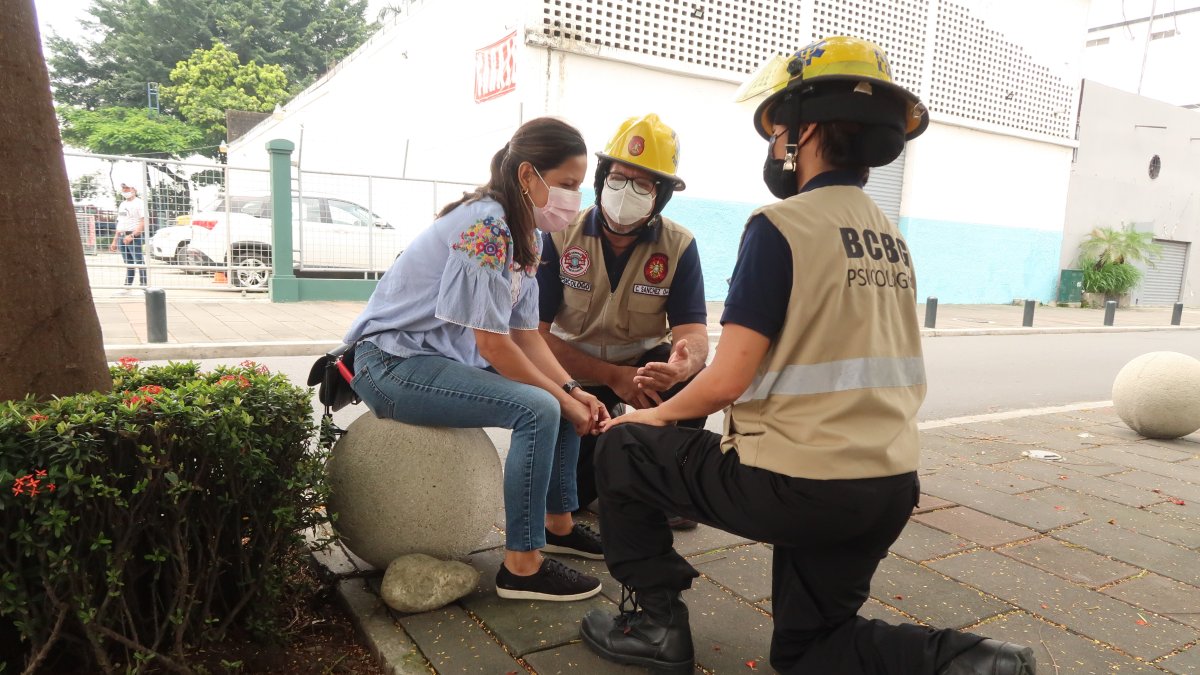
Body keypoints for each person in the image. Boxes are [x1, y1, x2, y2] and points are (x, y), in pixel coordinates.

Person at [578, 37, 1037, 674]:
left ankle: (655, 624)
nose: (773, 149)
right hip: (886, 488)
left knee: (624, 449)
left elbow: (727, 380)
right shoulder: (889, 238)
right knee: (808, 651)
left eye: (778, 133)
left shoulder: (781, 226)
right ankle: (976, 661)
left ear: (807, 131)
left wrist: (643, 419)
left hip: (799, 485)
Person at [343, 117, 611, 602]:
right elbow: (492, 345)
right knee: (540, 407)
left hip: (439, 359)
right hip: (391, 365)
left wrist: (574, 391)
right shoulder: (486, 226)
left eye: (578, 186)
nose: (575, 198)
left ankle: (558, 524)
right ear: (529, 176)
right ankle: (522, 567)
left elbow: (525, 334)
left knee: (565, 400)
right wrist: (559, 398)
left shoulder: (527, 233)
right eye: (567, 184)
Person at [536, 114, 709, 530]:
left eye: (642, 184)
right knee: (569, 496)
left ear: (662, 193)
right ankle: (606, 460)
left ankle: (662, 488)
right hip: (572, 373)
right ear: (600, 178)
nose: (624, 191)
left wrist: (684, 363)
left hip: (642, 370)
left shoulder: (679, 246)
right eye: (617, 178)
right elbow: (536, 338)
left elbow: (693, 333)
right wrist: (612, 377)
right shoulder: (560, 235)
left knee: (693, 383)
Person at [111, 183, 147, 294]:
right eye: (123, 188)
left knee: (139, 261)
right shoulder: (122, 204)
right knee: (128, 262)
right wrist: (115, 240)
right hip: (122, 235)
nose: (125, 190)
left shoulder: (140, 203)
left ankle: (144, 286)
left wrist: (132, 236)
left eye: (127, 188)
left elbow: (143, 221)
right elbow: (120, 222)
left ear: (133, 189)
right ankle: (127, 286)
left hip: (133, 236)